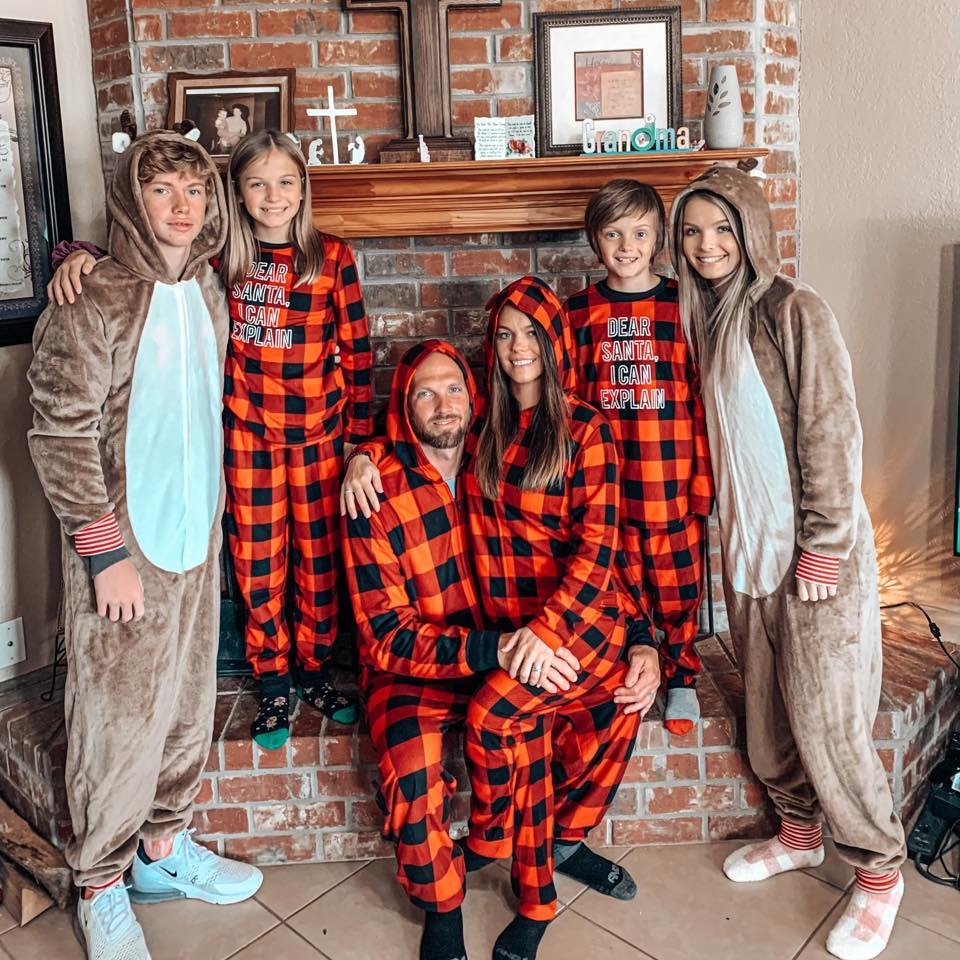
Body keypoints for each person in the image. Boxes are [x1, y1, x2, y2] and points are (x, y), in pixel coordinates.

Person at [48, 129, 372, 749]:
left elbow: (357, 357)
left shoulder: (333, 257)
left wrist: (357, 442)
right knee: (257, 565)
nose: (273, 196)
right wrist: (76, 254)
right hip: (246, 442)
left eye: (286, 182)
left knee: (318, 563)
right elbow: (149, 258)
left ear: (303, 188)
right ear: (236, 194)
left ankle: (314, 669)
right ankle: (273, 679)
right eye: (257, 184)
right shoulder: (220, 259)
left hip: (320, 442)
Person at [341, 338, 658, 960]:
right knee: (411, 769)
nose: (443, 405)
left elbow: (581, 551)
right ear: (402, 405)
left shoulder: (500, 455)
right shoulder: (373, 490)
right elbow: (385, 636)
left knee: (618, 698)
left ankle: (559, 841)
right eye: (425, 393)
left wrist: (643, 638)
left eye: (453, 388)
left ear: (474, 396)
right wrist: (359, 455)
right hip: (415, 667)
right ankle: (442, 904)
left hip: (512, 643)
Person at [28, 131, 262, 960]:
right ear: (134, 199)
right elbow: (59, 432)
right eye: (163, 190)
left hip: (196, 543)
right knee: (117, 721)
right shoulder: (92, 297)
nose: (182, 207)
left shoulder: (209, 288)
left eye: (195, 191)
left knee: (186, 708)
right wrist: (103, 554)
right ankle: (100, 882)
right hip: (124, 553)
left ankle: (162, 850)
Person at [671, 166, 906, 960]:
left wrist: (825, 546)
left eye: (722, 229)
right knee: (769, 718)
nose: (707, 245)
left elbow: (832, 431)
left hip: (813, 562)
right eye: (693, 232)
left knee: (828, 723)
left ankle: (879, 873)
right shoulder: (707, 321)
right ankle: (799, 833)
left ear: (752, 232)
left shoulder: (794, 311)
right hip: (749, 556)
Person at [461, 277, 656, 960]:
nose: (518, 347)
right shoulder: (480, 423)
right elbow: (408, 428)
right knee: (515, 728)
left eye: (531, 334)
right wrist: (361, 459)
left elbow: (599, 550)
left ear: (555, 343)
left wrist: (628, 637)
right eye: (505, 335)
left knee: (512, 719)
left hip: (576, 627)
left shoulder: (586, 430)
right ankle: (526, 852)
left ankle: (534, 862)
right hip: (511, 634)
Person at [564, 178, 714, 736]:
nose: (627, 247)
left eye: (640, 234)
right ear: (594, 240)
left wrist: (703, 484)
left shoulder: (684, 305)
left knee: (677, 585)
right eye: (613, 234)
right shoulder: (577, 313)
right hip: (607, 484)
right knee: (620, 580)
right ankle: (636, 660)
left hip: (671, 479)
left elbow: (703, 401)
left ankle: (681, 675)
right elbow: (568, 401)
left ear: (658, 240)